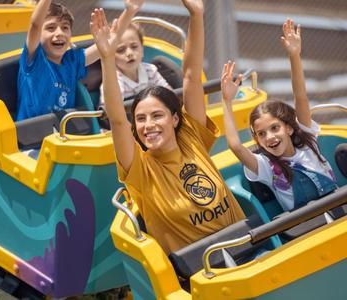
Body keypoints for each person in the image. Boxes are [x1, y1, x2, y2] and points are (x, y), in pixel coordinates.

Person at [91, 0, 245, 255]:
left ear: (175, 119)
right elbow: (118, 119)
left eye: (157, 116)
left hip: (244, 244)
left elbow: (192, 76)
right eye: (140, 119)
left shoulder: (191, 138)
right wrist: (107, 58)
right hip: (203, 268)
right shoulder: (141, 170)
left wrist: (197, 15)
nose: (148, 125)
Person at [220, 19, 338, 212]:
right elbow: (235, 146)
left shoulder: (309, 143)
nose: (270, 137)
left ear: (289, 128)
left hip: (337, 213)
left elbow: (300, 97)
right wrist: (226, 101)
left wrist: (294, 55)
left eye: (274, 128)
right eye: (261, 134)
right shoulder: (266, 167)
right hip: (304, 228)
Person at [16, 0, 144, 121]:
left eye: (65, 28)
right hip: (32, 139)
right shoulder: (34, 59)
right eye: (51, 28)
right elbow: (35, 24)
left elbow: (110, 40)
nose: (59, 33)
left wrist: (129, 12)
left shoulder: (72, 61)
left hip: (64, 134)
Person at [99, 22, 171, 105]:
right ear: (110, 57)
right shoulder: (114, 82)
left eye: (134, 47)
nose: (129, 53)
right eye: (120, 50)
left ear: (142, 49)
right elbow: (111, 113)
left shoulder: (150, 70)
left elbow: (169, 93)